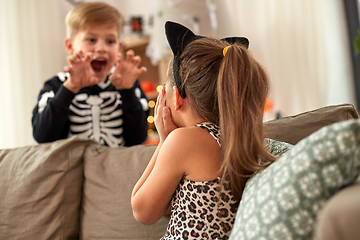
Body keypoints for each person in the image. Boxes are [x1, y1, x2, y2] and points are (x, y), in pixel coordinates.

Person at [131, 21, 277, 239]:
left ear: (178, 98)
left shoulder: (184, 141)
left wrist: (164, 141)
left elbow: (142, 211)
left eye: (166, 90)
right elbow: (164, 205)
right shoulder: (238, 139)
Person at [32, 2, 149, 147]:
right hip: (72, 168)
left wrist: (127, 91)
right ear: (70, 46)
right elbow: (43, 137)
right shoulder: (55, 86)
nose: (101, 48)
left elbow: (139, 138)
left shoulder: (127, 85)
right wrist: (69, 89)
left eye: (110, 41)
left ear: (119, 48)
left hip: (116, 167)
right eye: (91, 40)